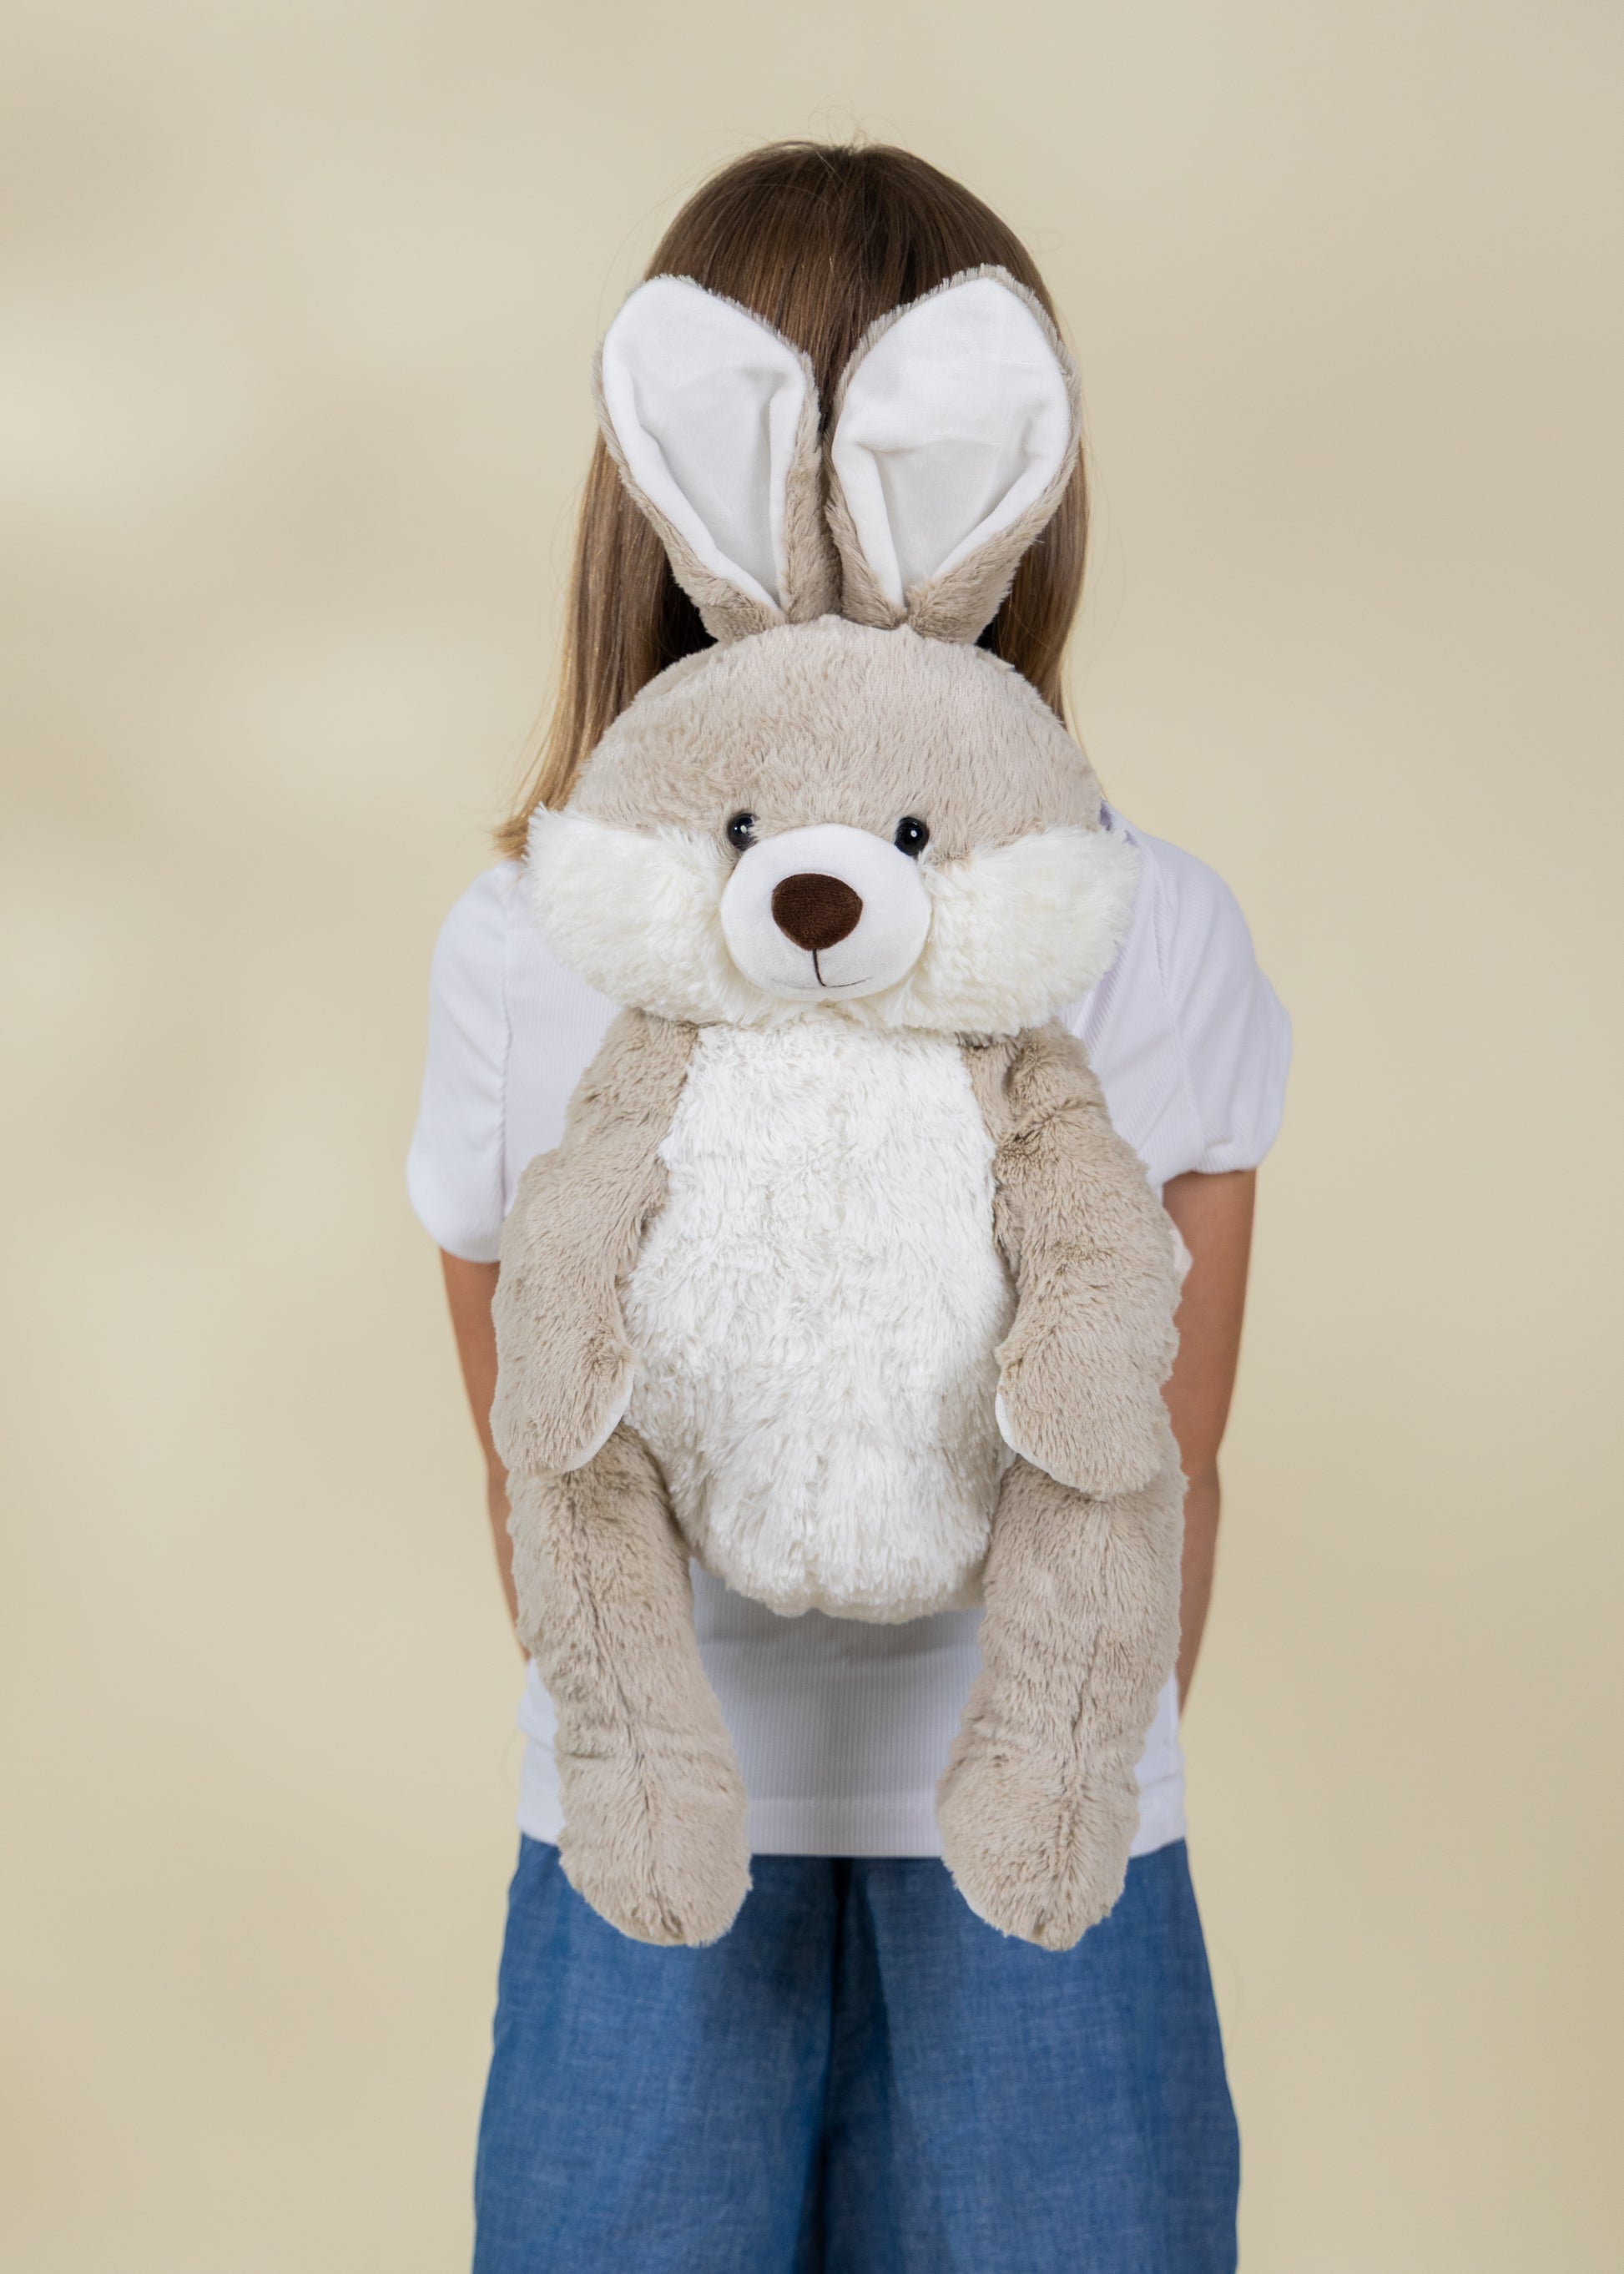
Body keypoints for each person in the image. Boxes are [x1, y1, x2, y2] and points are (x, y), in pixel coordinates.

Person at [408, 140, 1290, 2274]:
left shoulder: (527, 938)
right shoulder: (1143, 921)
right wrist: (1069, 1759)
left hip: (654, 1829)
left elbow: (531, 1464)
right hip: (1028, 1849)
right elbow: (1167, 1459)